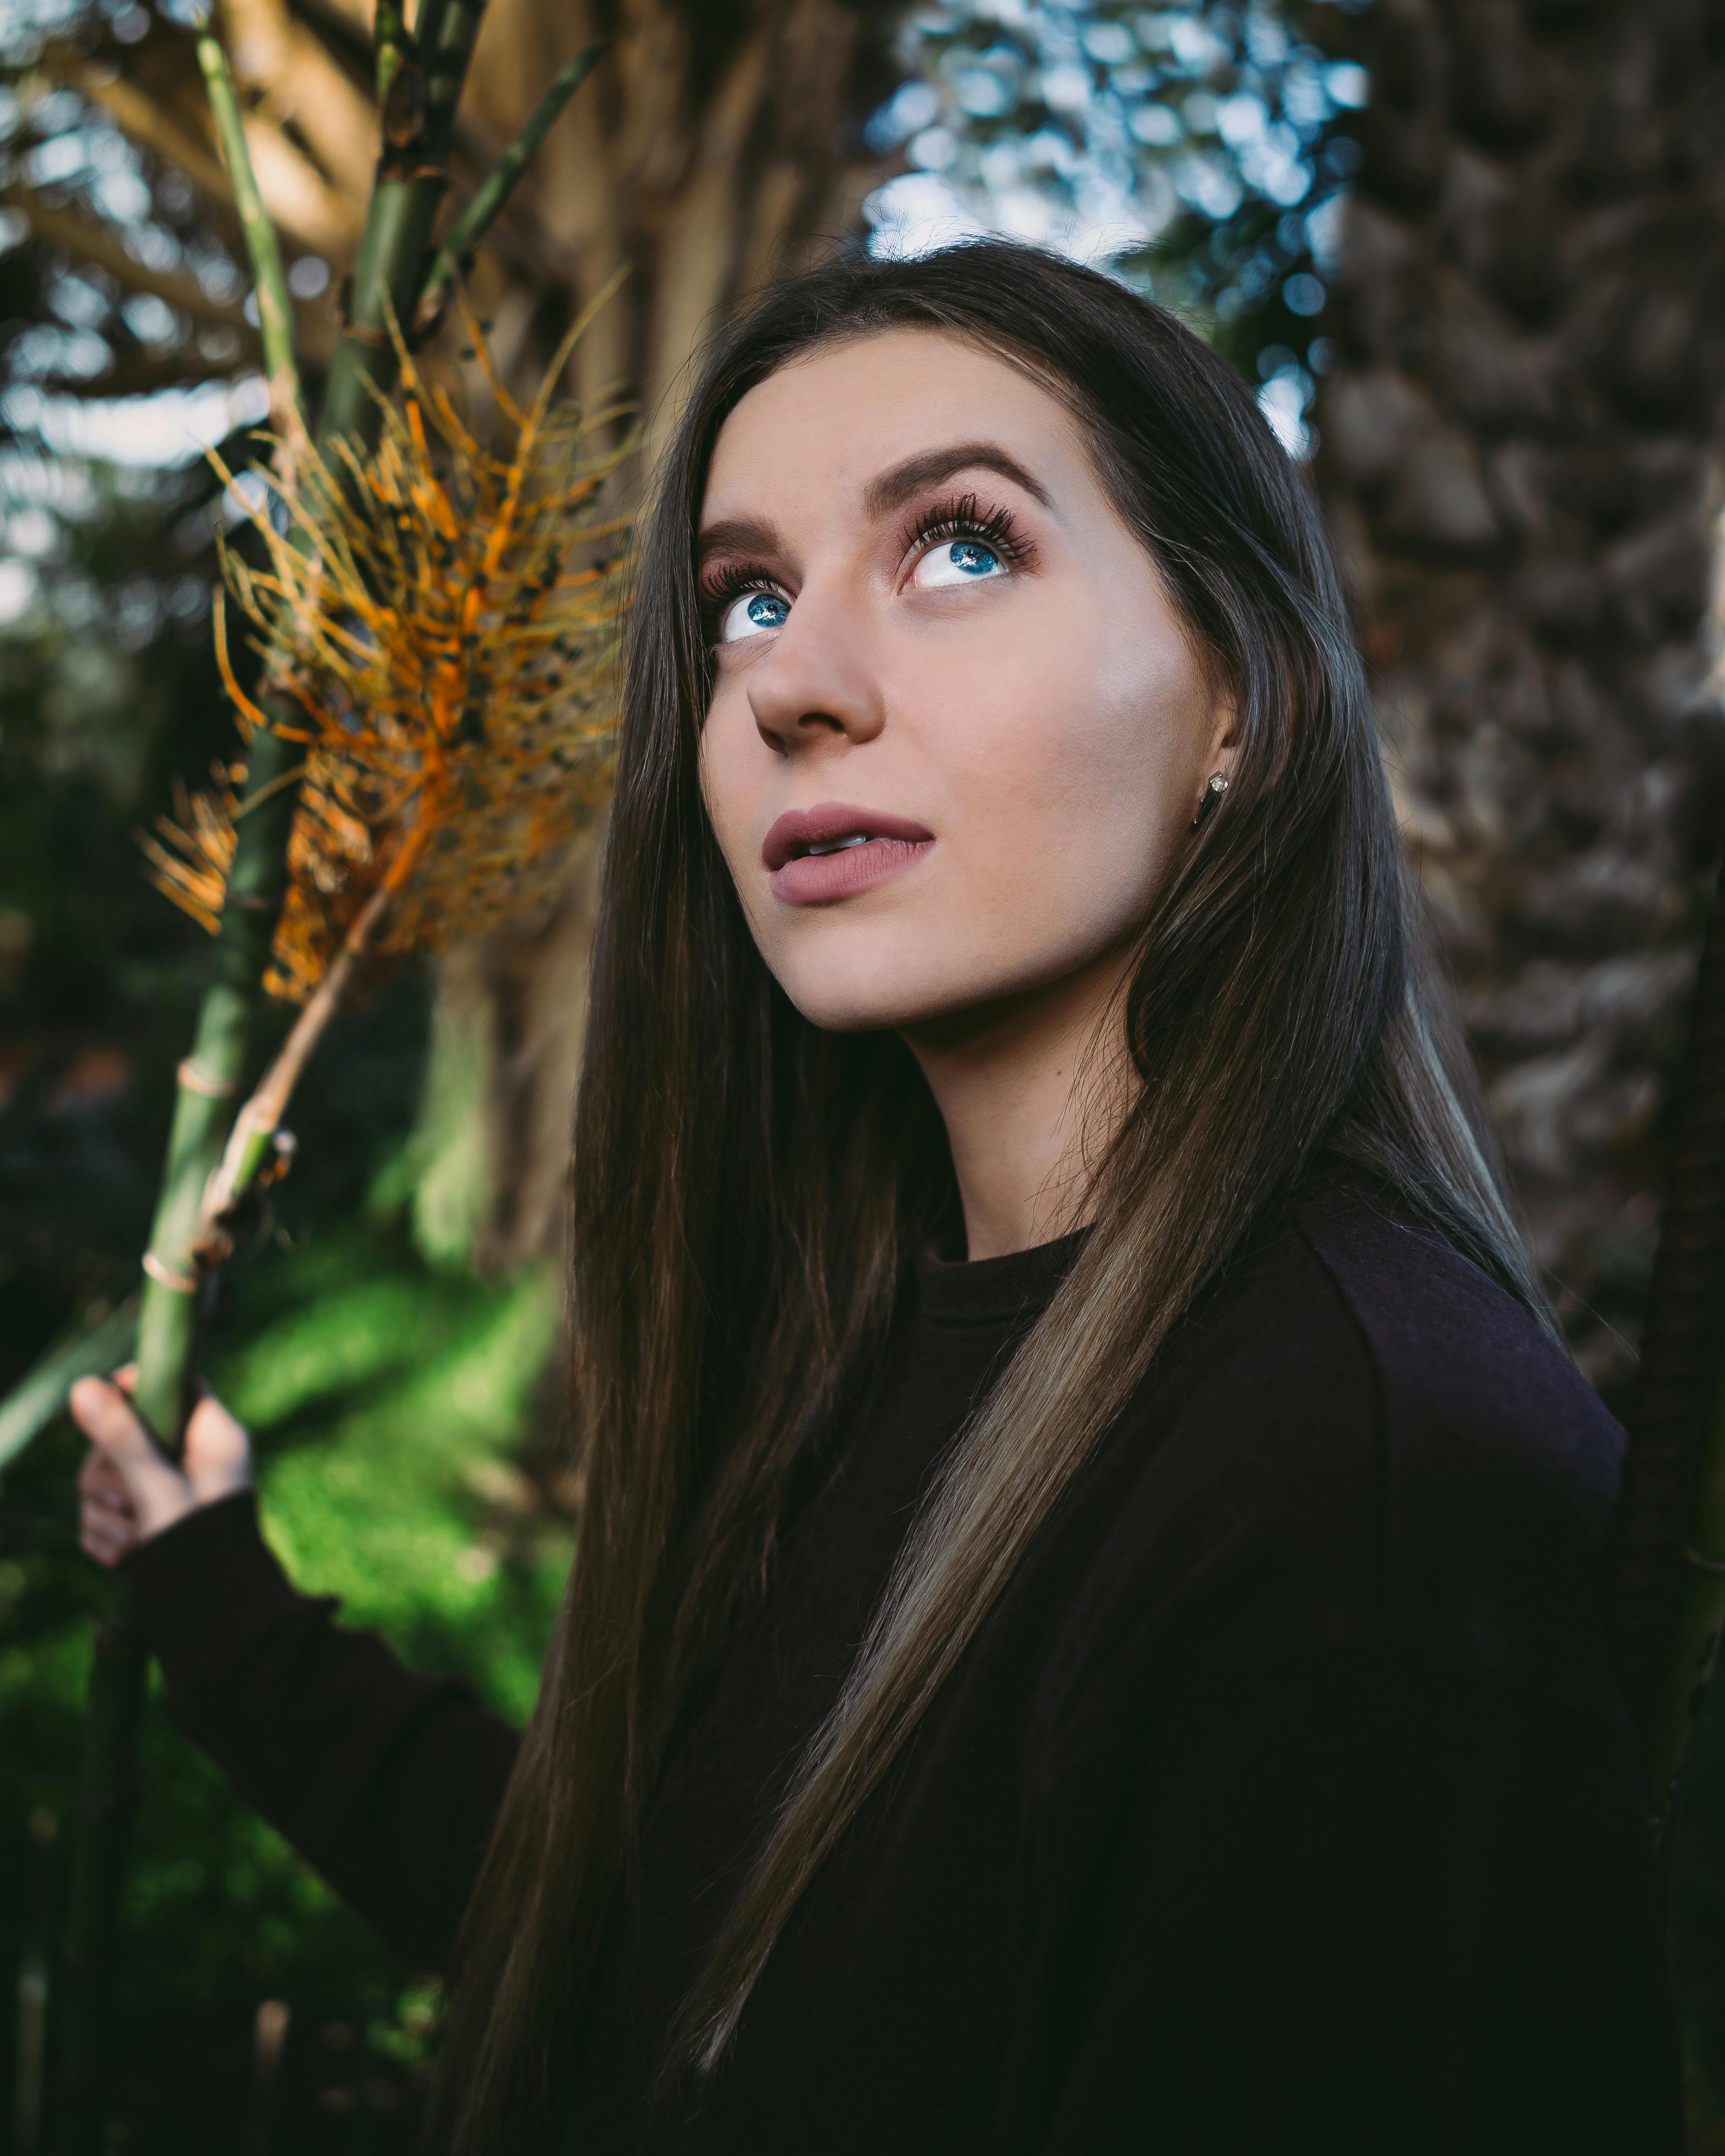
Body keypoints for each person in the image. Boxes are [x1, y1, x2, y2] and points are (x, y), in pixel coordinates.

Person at [72, 242, 1681, 2155]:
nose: (792, 687)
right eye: (746, 598)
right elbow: (677, 1959)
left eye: (961, 548)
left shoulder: (1361, 1503)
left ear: (1239, 696)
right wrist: (219, 1600)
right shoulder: (869, 1335)